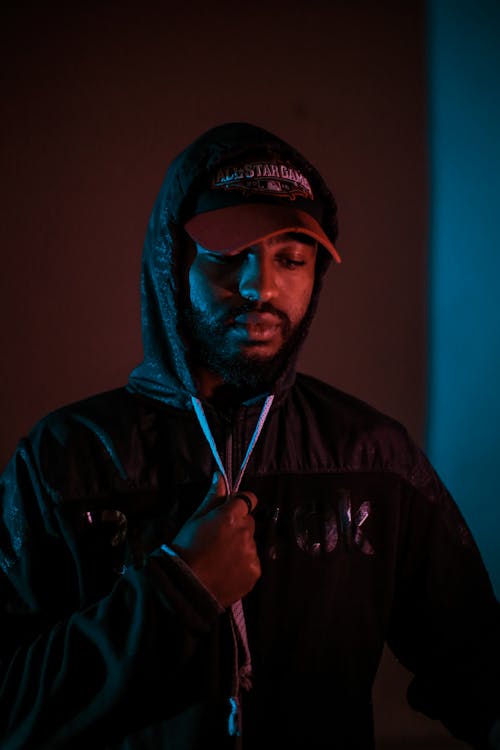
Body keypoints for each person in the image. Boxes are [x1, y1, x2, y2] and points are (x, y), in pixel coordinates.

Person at [0, 121, 498, 750]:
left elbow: (479, 670)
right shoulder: (64, 461)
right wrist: (177, 590)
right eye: (230, 256)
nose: (261, 288)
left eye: (291, 259)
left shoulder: (373, 458)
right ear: (172, 262)